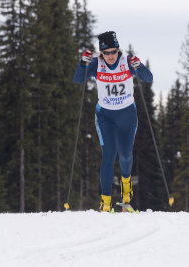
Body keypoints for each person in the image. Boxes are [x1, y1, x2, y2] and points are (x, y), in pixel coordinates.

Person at [73, 31, 153, 212]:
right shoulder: (96, 64)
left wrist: (139, 66)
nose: (110, 56)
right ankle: (106, 203)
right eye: (106, 53)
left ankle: (126, 192)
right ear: (101, 53)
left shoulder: (127, 61)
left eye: (113, 52)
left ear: (118, 50)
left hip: (127, 116)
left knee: (125, 155)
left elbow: (149, 78)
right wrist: (82, 63)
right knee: (108, 156)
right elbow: (78, 79)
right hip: (105, 117)